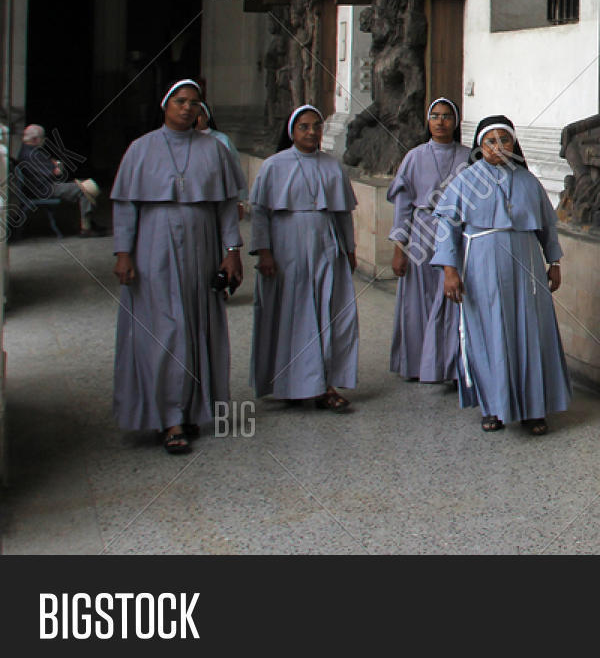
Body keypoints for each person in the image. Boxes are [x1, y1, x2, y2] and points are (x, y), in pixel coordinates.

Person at [110, 80, 244, 454]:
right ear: (165, 105)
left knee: (196, 324)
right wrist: (124, 252)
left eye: (194, 102)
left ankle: (191, 409)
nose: (187, 108)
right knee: (165, 328)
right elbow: (126, 205)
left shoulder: (214, 150)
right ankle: (168, 416)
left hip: (202, 244)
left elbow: (225, 205)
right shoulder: (141, 149)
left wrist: (232, 250)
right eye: (180, 102)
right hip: (153, 244)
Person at [432, 115, 570, 434]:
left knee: (530, 333)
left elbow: (547, 227)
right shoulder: (465, 181)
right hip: (481, 264)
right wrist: (449, 271)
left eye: (504, 140)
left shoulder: (528, 181)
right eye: (490, 141)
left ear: (513, 144)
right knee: (489, 333)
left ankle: (534, 409)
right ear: (480, 147)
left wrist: (555, 263)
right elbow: (447, 228)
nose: (498, 147)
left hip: (527, 267)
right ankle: (493, 405)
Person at [247, 104, 360, 411]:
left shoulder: (333, 165)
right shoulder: (274, 166)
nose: (312, 132)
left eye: (317, 127)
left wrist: (349, 251)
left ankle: (325, 384)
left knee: (328, 314)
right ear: (292, 131)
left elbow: (342, 215)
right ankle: (290, 383)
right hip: (287, 248)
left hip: (326, 246)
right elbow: (260, 213)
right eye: (305, 127)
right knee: (292, 315)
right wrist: (265, 253)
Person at [388, 98, 467, 383]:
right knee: (418, 301)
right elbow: (403, 206)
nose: (440, 121)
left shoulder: (469, 156)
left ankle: (453, 366)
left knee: (453, 299)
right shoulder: (414, 157)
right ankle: (420, 364)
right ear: (428, 121)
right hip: (421, 231)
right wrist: (400, 247)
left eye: (447, 116)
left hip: (457, 234)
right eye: (435, 116)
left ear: (455, 121)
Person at [17, 123, 102, 235]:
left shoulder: (27, 150)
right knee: (87, 188)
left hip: (43, 186)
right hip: (46, 188)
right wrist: (56, 166)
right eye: (42, 138)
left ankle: (87, 222)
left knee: (84, 184)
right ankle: (86, 227)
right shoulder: (32, 154)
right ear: (35, 139)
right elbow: (55, 172)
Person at [196, 101, 247, 220]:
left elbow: (235, 169)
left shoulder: (222, 140)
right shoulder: (184, 141)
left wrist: (239, 200)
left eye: (199, 114)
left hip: (218, 197)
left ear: (206, 116)